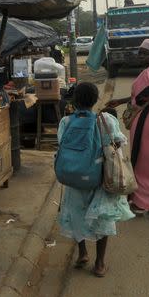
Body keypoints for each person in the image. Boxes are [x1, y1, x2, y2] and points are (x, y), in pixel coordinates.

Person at [57, 82, 135, 278]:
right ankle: (99, 264)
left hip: (74, 178)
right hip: (100, 179)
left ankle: (82, 253)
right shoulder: (106, 119)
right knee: (103, 218)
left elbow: (61, 144)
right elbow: (117, 142)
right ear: (95, 101)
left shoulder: (66, 122)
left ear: (74, 101)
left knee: (76, 214)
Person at [106, 39, 149, 220]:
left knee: (145, 164)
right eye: (140, 52)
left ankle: (141, 202)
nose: (140, 56)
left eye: (145, 53)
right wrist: (121, 101)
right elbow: (142, 96)